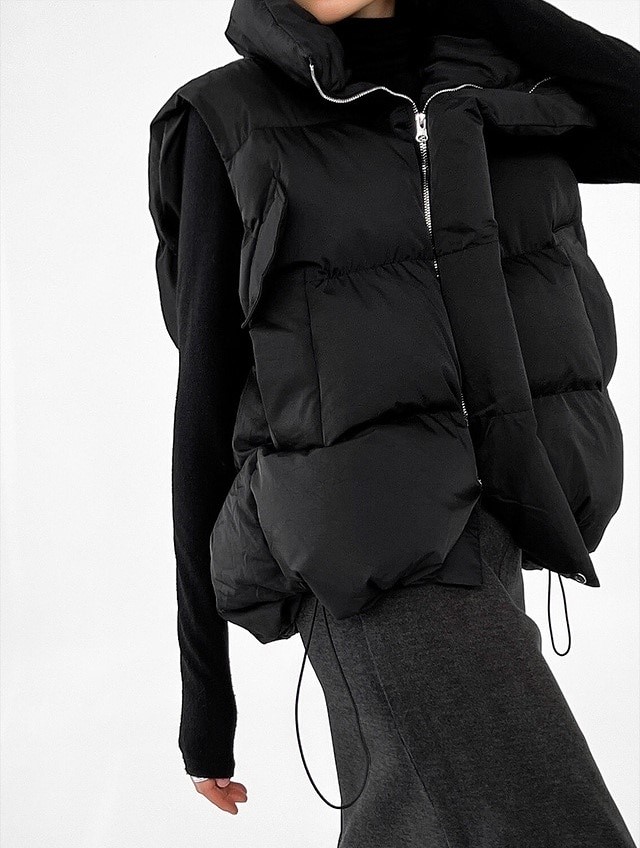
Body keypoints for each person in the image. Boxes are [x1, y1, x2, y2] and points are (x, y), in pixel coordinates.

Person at [147, 0, 639, 842]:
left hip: (498, 522)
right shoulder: (227, 117)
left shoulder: (497, 87)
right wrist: (206, 698)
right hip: (361, 552)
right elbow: (203, 403)